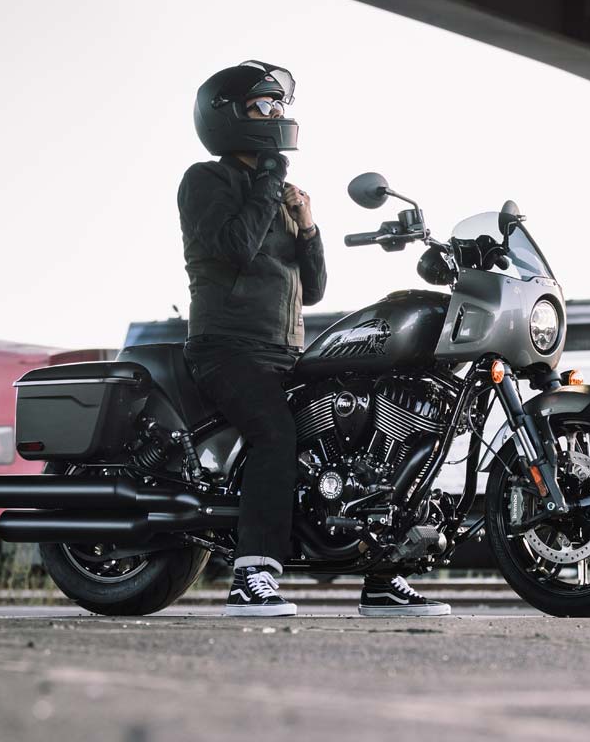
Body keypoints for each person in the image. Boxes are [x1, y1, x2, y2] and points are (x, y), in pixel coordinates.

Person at [179, 60, 449, 617]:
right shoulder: (206, 181)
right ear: (227, 115)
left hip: (286, 352)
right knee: (275, 435)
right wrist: (269, 181)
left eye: (280, 105)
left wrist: (307, 227)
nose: (277, 115)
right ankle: (251, 574)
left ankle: (381, 575)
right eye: (263, 106)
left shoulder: (278, 195)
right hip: (227, 348)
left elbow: (316, 288)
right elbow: (234, 248)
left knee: (359, 442)